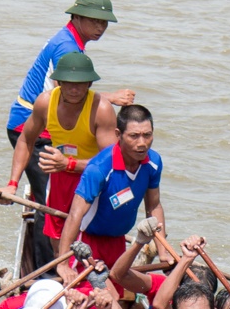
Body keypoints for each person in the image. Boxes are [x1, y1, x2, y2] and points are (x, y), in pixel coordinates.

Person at [4, 0, 133, 216]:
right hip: (33, 121)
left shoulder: (68, 37)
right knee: (49, 204)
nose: (100, 28)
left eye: (103, 22)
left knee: (53, 189)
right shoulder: (68, 47)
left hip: (38, 118)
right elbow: (64, 92)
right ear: (76, 17)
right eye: (94, 21)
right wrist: (110, 98)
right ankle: (48, 249)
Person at [5, 51, 117, 248]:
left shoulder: (101, 109)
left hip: (92, 179)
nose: (74, 89)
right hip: (59, 178)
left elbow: (112, 161)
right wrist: (12, 183)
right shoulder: (45, 102)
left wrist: (70, 163)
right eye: (68, 83)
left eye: (80, 84)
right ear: (58, 83)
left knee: (89, 244)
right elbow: (25, 140)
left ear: (89, 84)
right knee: (58, 245)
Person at [58, 105, 163, 268]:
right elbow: (75, 216)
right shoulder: (99, 169)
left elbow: (154, 205)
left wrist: (163, 253)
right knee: (85, 292)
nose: (142, 143)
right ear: (118, 135)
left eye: (147, 135)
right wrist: (63, 265)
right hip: (87, 243)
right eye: (134, 136)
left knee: (115, 292)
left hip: (119, 242)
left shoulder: (153, 163)